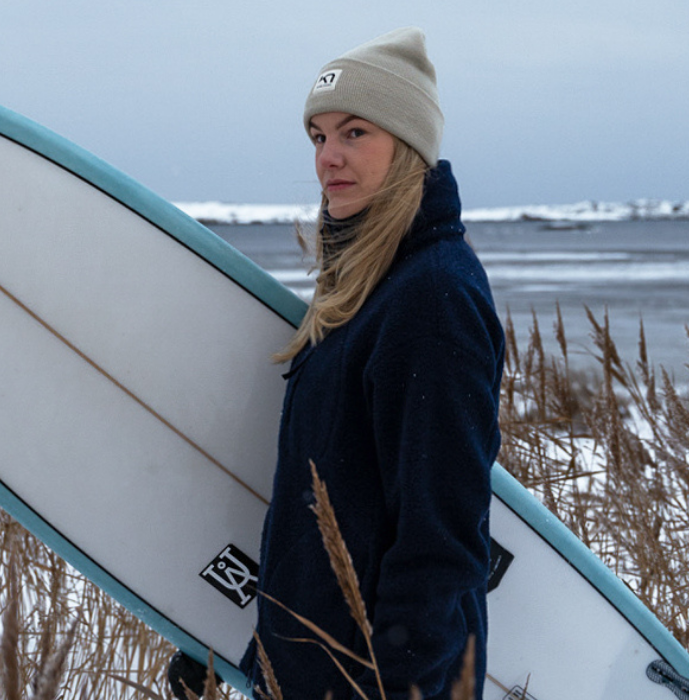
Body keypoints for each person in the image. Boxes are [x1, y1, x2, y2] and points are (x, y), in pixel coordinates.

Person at [239, 26, 505, 700]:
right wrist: (253, 658)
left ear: (409, 146)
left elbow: (439, 547)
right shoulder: (362, 294)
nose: (329, 156)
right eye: (319, 136)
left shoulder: (432, 300)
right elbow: (328, 513)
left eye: (355, 132)